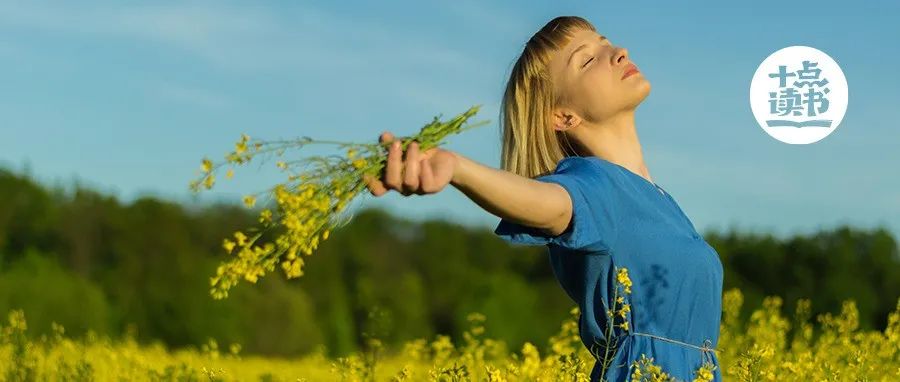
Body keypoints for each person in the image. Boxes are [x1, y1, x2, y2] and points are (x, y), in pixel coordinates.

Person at [364, 15, 724, 382]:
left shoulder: (661, 200)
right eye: (586, 59)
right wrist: (456, 168)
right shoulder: (595, 183)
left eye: (605, 42)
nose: (618, 52)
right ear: (562, 116)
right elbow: (551, 204)